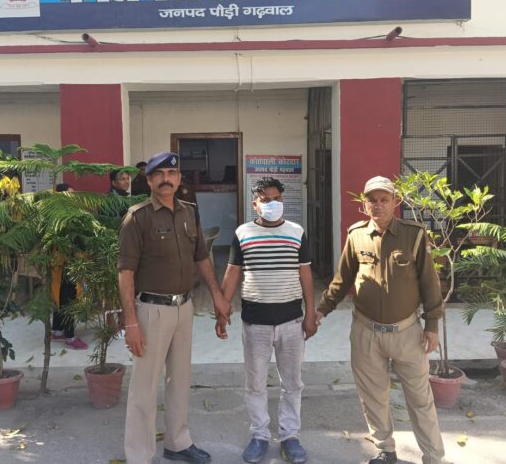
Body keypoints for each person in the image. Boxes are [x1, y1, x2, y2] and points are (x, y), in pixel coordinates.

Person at [315, 176, 445, 464]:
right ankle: (385, 449)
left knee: (420, 398)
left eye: (384, 199)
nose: (378, 205)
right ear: (365, 204)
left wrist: (432, 325)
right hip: (366, 331)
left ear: (395, 202)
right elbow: (342, 279)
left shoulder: (414, 235)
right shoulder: (356, 235)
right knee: (373, 396)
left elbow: (429, 283)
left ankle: (434, 457)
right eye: (372, 200)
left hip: (407, 332)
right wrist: (322, 309)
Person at [118, 151, 231, 464]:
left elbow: (201, 257)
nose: (166, 179)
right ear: (149, 180)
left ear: (179, 178)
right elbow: (125, 273)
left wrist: (217, 295)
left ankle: (178, 443)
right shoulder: (137, 218)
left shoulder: (189, 212)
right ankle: (139, 455)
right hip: (151, 310)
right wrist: (131, 322)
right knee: (145, 387)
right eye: (159, 175)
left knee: (179, 381)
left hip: (184, 307)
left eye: (172, 174)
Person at [216, 177, 316, 464]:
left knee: (293, 383)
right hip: (255, 322)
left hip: (291, 321)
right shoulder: (243, 233)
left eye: (277, 199)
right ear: (255, 203)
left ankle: (290, 436)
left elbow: (305, 273)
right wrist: (222, 311)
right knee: (256, 383)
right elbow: (232, 272)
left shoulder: (296, 232)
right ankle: (259, 435)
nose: (273, 204)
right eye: (266, 199)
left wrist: (310, 313)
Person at [50, 183, 88, 350]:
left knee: (60, 295)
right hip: (65, 262)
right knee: (68, 298)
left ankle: (57, 330)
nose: (73, 197)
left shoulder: (60, 213)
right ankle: (70, 336)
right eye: (69, 194)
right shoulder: (61, 216)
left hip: (62, 262)